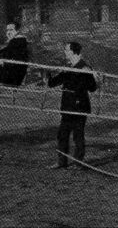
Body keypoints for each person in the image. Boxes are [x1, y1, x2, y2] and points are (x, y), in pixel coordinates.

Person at [46, 41, 97, 169]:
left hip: (79, 108)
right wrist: (49, 72)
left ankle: (78, 163)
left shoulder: (84, 67)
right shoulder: (68, 68)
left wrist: (88, 76)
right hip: (67, 108)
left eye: (66, 50)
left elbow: (92, 87)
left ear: (74, 52)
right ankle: (61, 162)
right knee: (62, 134)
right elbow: (52, 83)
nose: (65, 52)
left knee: (78, 136)